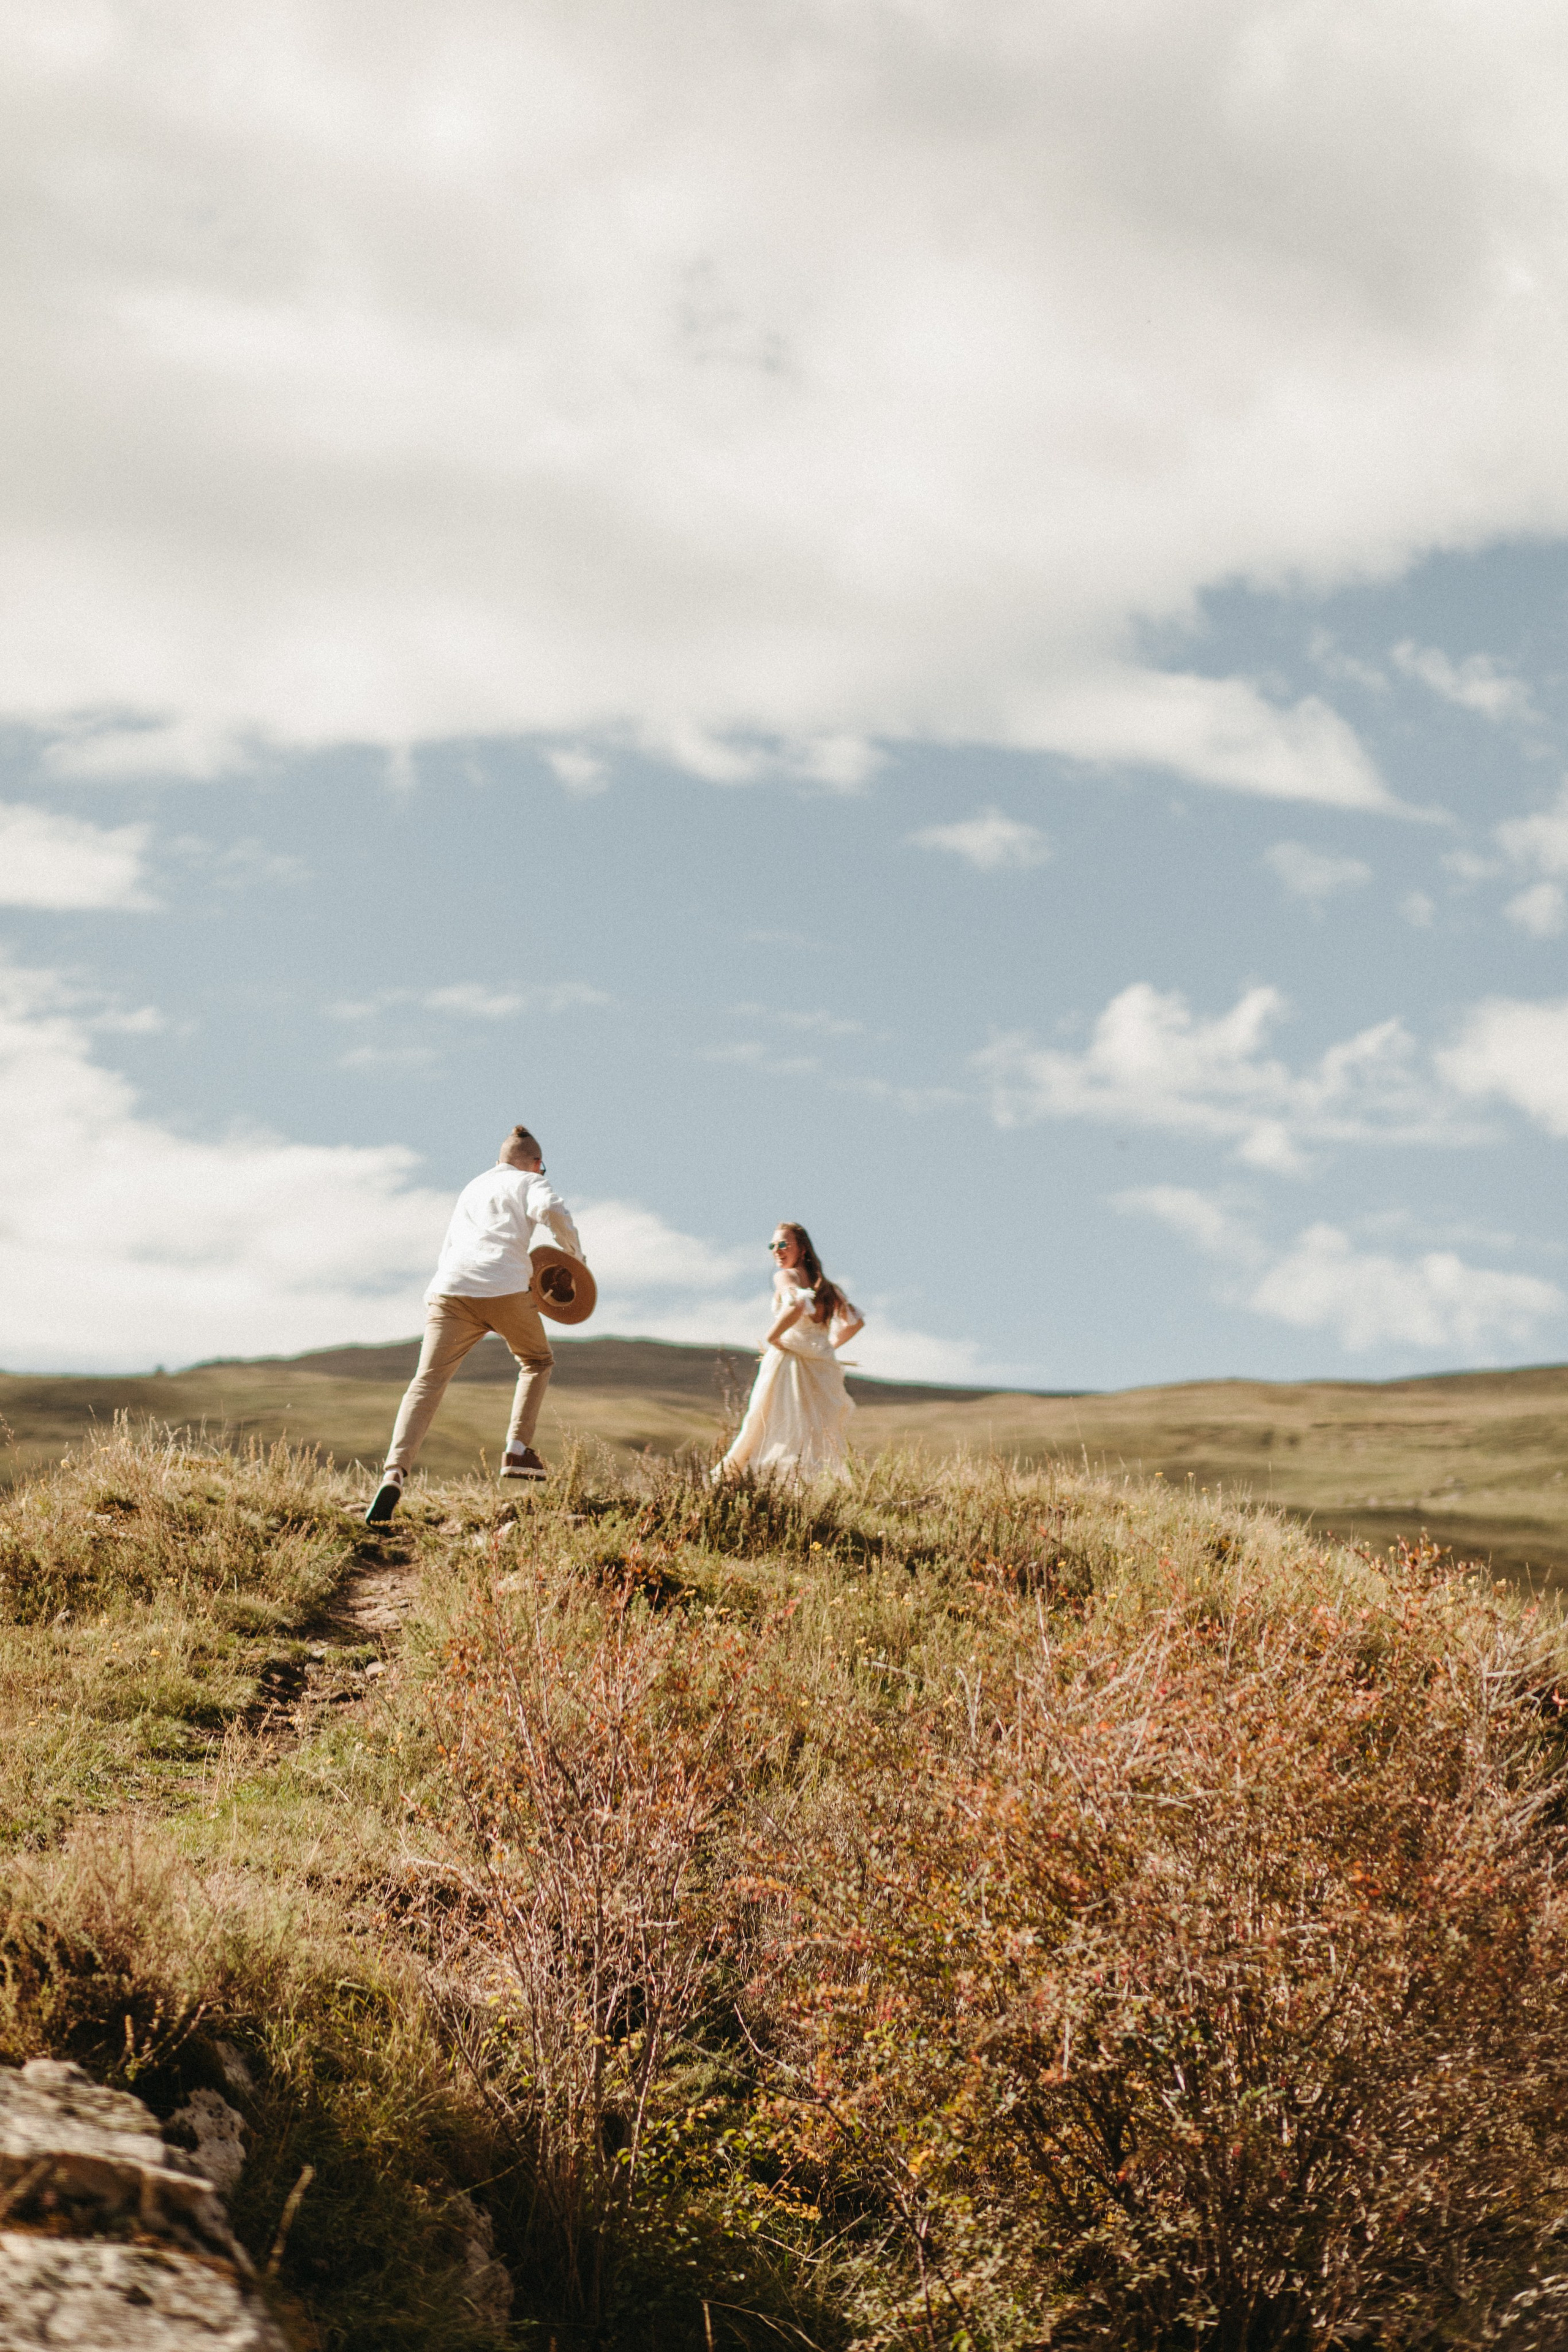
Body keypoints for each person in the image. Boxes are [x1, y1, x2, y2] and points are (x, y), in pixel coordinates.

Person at [364, 1125, 586, 1523]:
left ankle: (394, 1472)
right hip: (503, 1287)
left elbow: (452, 1245)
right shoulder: (530, 1183)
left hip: (449, 1291)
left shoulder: (472, 1187)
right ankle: (518, 1450)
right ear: (536, 1165)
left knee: (427, 1381)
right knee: (537, 1361)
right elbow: (553, 1213)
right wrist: (576, 1258)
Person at [715, 1222, 864, 1482]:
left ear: (803, 1249)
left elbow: (795, 1305)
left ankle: (762, 1481)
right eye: (772, 1245)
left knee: (775, 1425)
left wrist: (772, 1336)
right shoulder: (828, 1288)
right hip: (822, 1368)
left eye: (784, 1244)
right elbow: (855, 1322)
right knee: (815, 1431)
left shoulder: (785, 1277)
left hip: (789, 1361)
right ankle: (815, 1486)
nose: (777, 1250)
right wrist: (826, 1349)